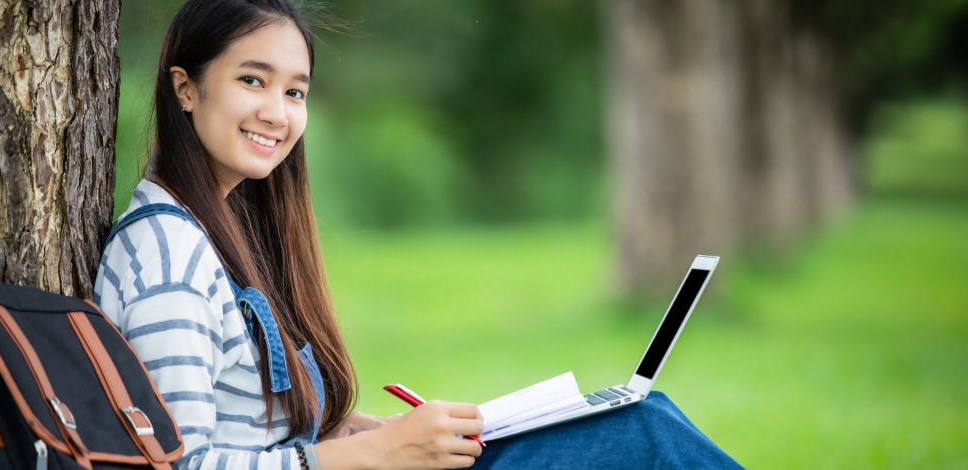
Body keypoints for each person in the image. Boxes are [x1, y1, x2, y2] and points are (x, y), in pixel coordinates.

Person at [94, 0, 742, 468]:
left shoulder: (219, 234)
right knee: (642, 437)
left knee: (639, 421)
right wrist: (372, 456)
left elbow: (240, 427)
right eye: (252, 80)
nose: (278, 112)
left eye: (296, 91)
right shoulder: (168, 259)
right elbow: (176, 466)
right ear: (185, 88)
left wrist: (353, 436)